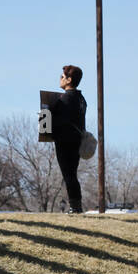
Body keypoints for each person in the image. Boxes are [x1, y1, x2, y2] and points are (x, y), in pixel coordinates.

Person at [49, 65, 88, 214]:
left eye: (62, 77)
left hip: (64, 141)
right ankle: (76, 205)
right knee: (72, 173)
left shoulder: (64, 98)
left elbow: (57, 120)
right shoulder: (81, 99)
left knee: (68, 174)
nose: (60, 79)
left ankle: (75, 207)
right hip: (77, 141)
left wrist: (44, 115)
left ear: (69, 80)